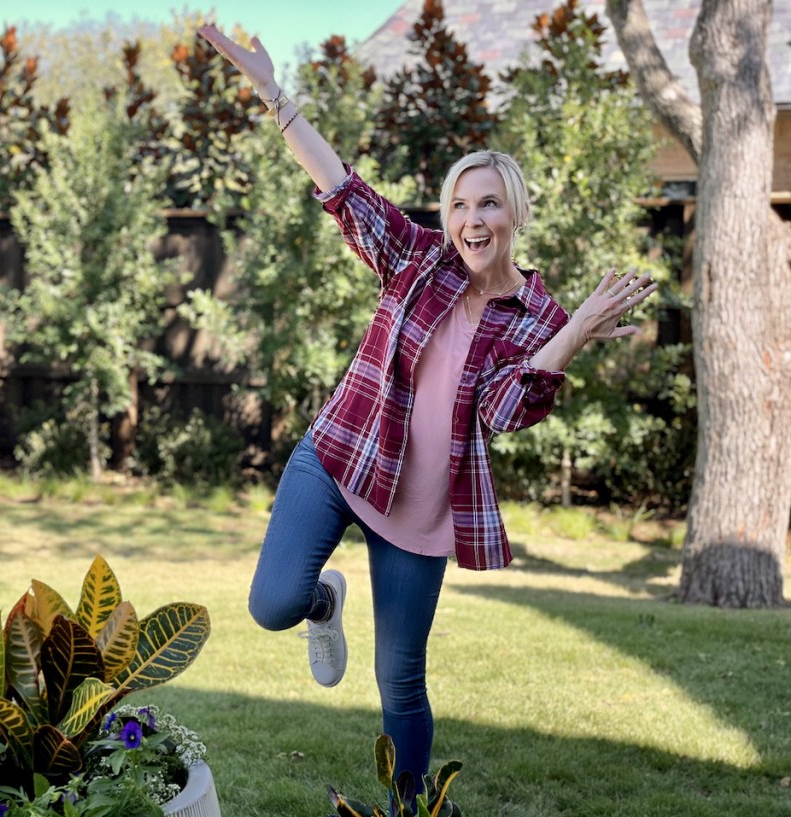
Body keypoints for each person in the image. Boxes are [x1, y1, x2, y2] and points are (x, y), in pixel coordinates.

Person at [198, 23, 658, 792]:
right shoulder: (414, 257)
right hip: (341, 456)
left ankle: (409, 809)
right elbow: (341, 188)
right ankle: (322, 602)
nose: (472, 220)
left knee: (399, 680)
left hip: (420, 510)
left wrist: (573, 330)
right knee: (272, 603)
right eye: (459, 205)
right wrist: (272, 92)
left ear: (514, 213)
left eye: (489, 204)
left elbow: (510, 410)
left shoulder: (538, 315)